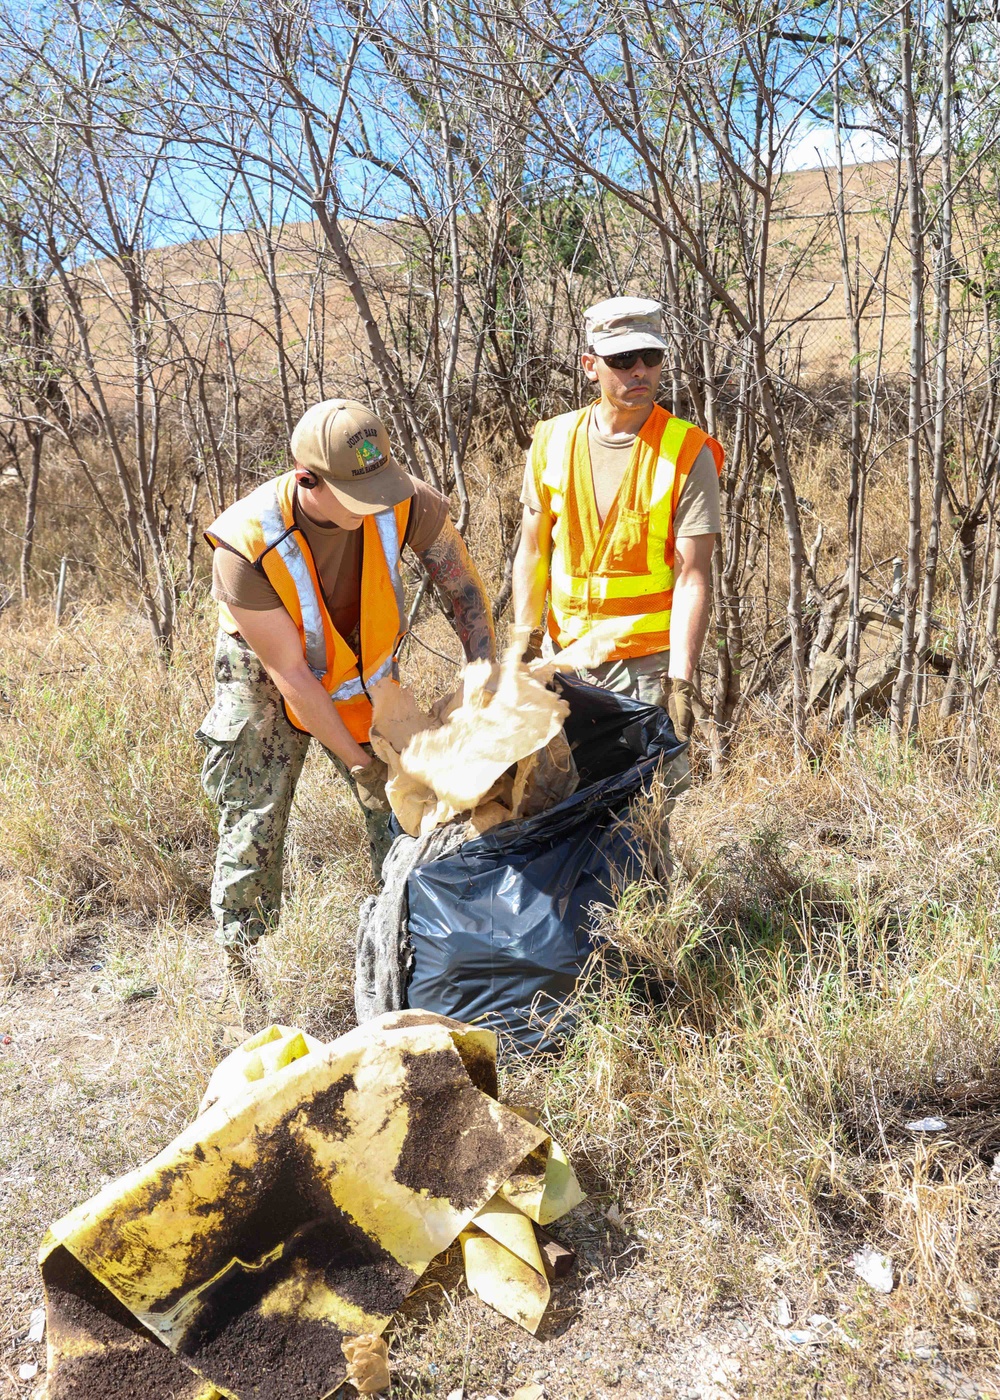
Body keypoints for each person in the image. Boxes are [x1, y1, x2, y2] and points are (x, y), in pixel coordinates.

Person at [197, 398, 495, 1009]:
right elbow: (293, 677)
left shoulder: (399, 497)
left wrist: (484, 670)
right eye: (358, 494)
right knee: (254, 818)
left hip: (361, 671)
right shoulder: (244, 544)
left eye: (381, 485)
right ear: (308, 479)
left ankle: (413, 960)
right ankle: (246, 978)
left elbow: (462, 586)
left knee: (405, 814)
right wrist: (357, 762)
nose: (378, 504)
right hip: (264, 678)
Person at [512, 294, 723, 751]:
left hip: (645, 668)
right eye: (623, 359)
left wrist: (681, 681)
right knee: (563, 804)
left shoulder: (689, 452)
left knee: (646, 807)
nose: (640, 371)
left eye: (652, 357)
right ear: (591, 365)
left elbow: (693, 577)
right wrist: (524, 642)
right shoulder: (552, 439)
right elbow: (532, 549)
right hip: (562, 659)